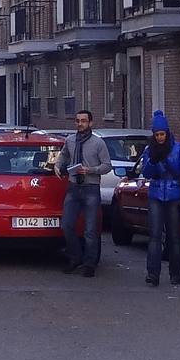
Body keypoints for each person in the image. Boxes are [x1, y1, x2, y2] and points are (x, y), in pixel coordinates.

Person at [136, 109, 180, 287]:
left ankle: (175, 274)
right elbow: (146, 173)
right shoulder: (150, 149)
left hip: (174, 194)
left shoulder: (178, 149)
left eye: (162, 134)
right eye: (157, 135)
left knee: (174, 236)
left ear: (167, 133)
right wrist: (152, 161)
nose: (160, 138)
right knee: (154, 236)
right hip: (156, 193)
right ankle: (153, 274)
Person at [57, 109, 111, 277]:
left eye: (83, 121)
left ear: (90, 123)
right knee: (66, 225)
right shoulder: (70, 140)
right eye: (78, 121)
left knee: (90, 229)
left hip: (91, 188)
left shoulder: (98, 143)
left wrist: (90, 170)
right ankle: (75, 257)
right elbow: (63, 155)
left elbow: (107, 165)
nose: (80, 124)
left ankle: (89, 264)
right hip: (73, 187)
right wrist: (58, 165)